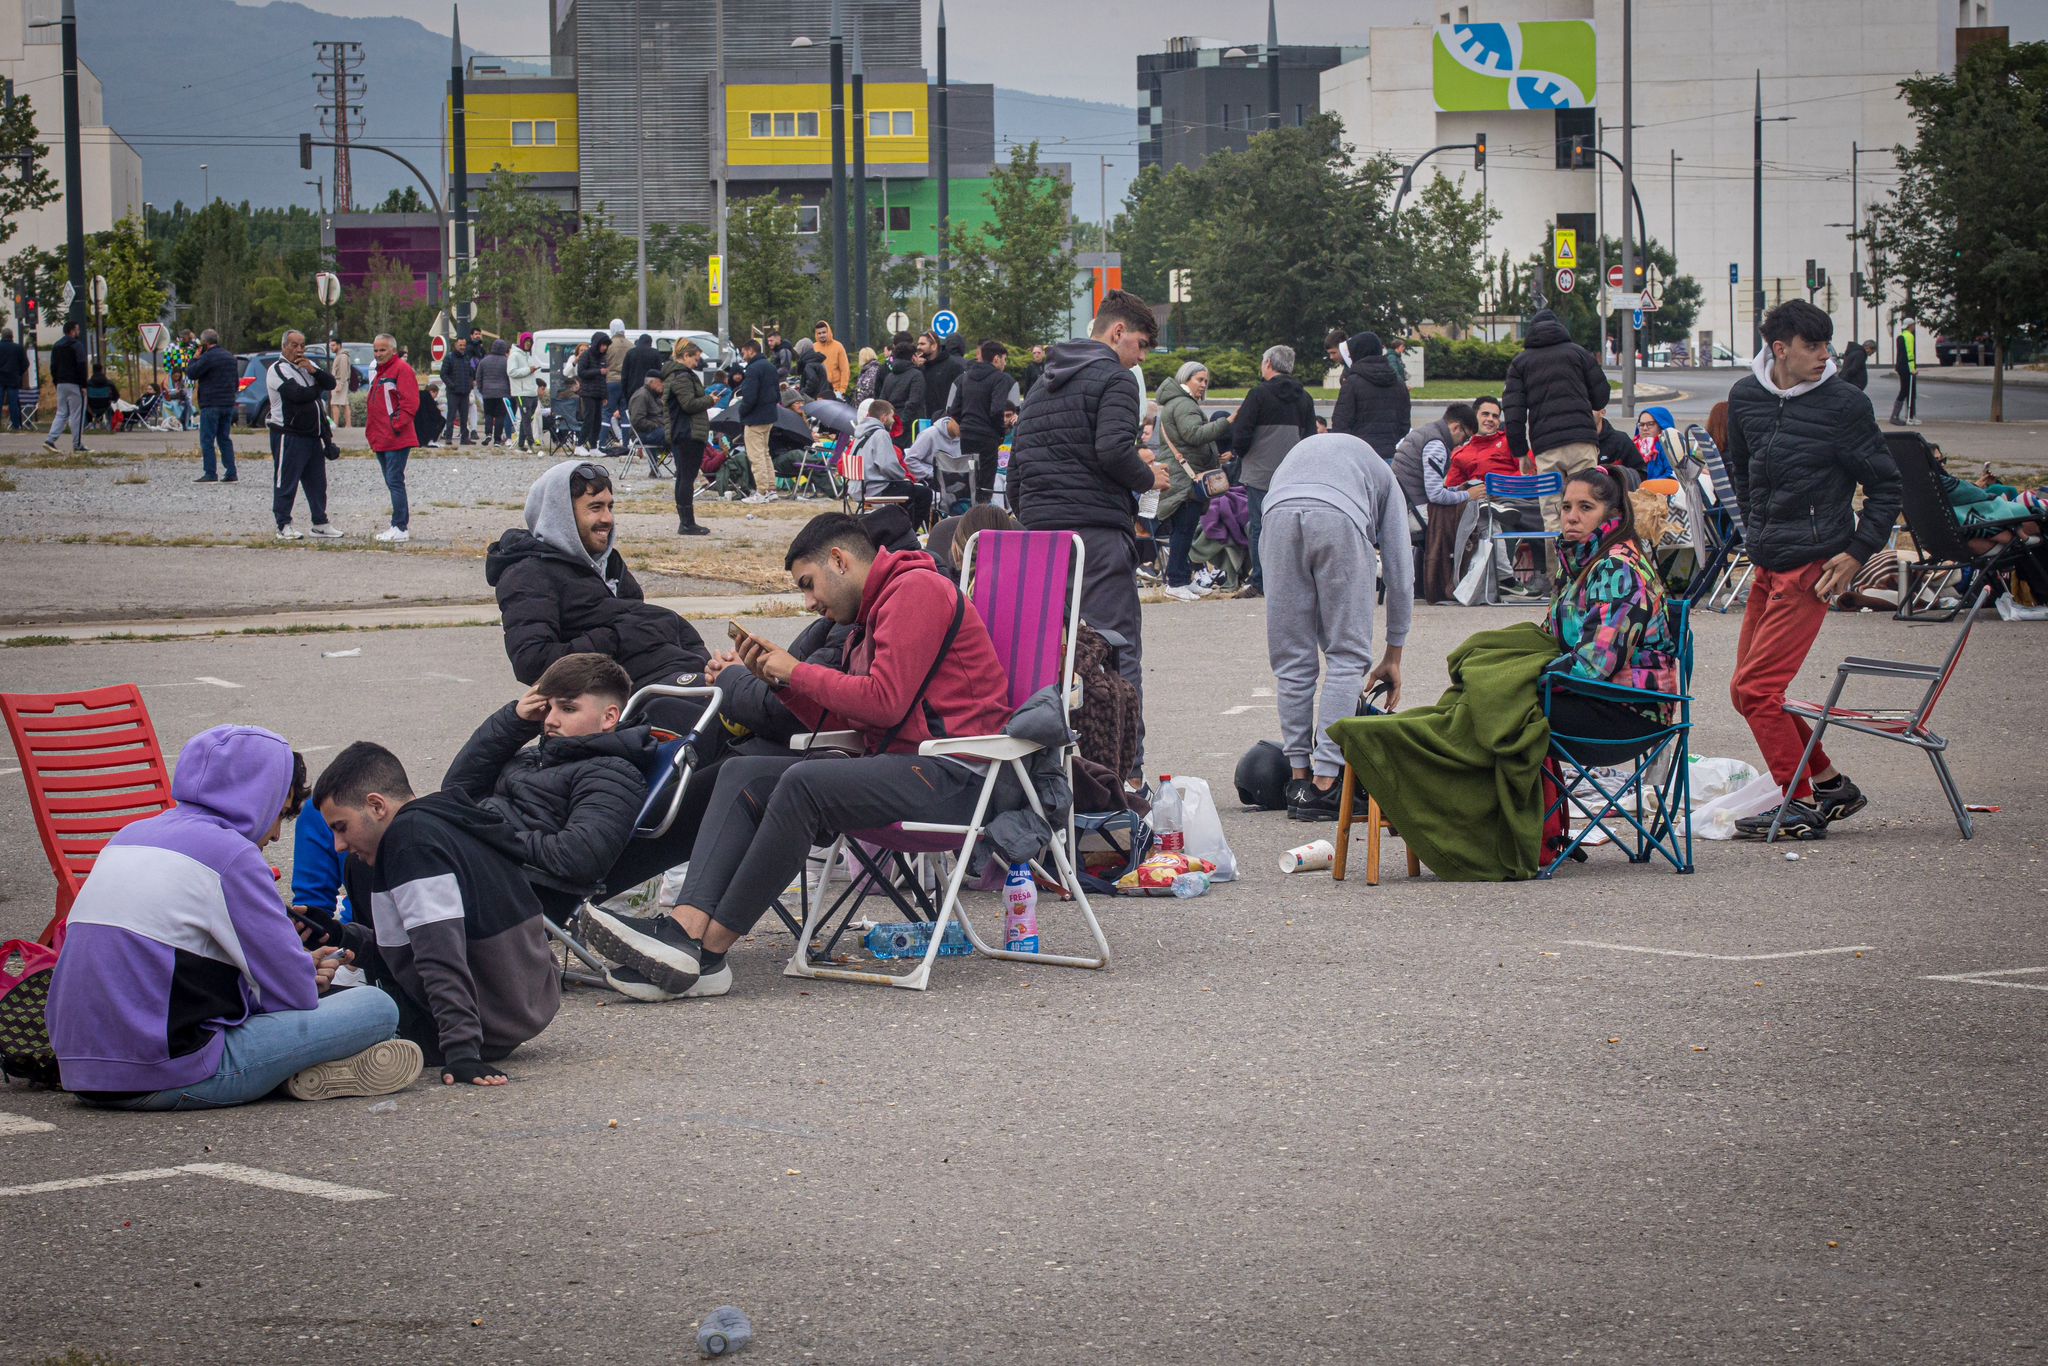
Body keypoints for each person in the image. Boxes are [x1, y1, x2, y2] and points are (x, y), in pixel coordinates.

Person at [582, 513, 1012, 998]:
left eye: (809, 585)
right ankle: (684, 930)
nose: (810, 603)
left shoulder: (917, 591)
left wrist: (797, 672)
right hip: (905, 768)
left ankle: (708, 956)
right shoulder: (871, 616)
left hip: (958, 778)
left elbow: (885, 701)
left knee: (801, 785)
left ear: (839, 560)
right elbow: (848, 720)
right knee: (745, 773)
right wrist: (777, 680)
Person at [46, 726, 420, 1109]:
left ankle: (290, 1068)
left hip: (79, 1072)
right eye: (278, 813)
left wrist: (288, 973)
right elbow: (291, 997)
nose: (275, 835)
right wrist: (305, 975)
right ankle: (295, 1069)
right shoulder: (232, 854)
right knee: (375, 1008)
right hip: (163, 1072)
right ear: (259, 799)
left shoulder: (129, 835)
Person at [1723, 299, 1901, 841]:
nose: (1826, 356)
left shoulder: (1844, 404)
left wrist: (1855, 552)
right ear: (1781, 350)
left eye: (1827, 344)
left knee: (1757, 689)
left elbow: (1888, 486)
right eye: (1814, 346)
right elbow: (1741, 468)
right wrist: (1755, 530)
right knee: (1746, 691)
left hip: (1814, 566)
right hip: (1766, 559)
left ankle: (1797, 803)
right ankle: (1827, 784)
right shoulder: (1745, 396)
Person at [312, 742, 559, 1086]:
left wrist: (462, 1051)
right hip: (519, 1001)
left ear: (376, 805)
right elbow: (410, 945)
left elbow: (439, 952)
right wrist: (340, 935)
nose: (339, 845)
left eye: (341, 827)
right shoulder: (445, 819)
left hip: (479, 1023)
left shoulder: (410, 843)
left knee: (298, 1012)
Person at [1007, 288, 1164, 778]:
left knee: (1048, 658)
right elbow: (1115, 452)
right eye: (1140, 345)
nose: (1140, 358)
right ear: (1117, 332)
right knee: (1114, 652)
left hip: (1039, 541)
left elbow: (1014, 476)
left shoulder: (1040, 386)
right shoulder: (1115, 379)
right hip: (1095, 538)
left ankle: (1048, 771)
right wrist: (1149, 477)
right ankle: (1122, 772)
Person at [1260, 433, 1413, 822]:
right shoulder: (1385, 477)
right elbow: (1399, 573)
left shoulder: (1323, 452)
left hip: (1275, 514)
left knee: (1292, 659)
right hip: (1339, 517)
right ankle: (1327, 784)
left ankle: (1298, 779)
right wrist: (1393, 652)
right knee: (1347, 657)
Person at [486, 460, 710, 701]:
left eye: (610, 507)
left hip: (673, 678)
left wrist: (709, 667)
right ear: (561, 515)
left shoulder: (607, 563)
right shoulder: (529, 574)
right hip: (623, 706)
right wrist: (617, 636)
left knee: (742, 694)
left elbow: (658, 629)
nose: (607, 519)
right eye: (595, 508)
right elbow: (533, 662)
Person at [1502, 307, 1612, 559]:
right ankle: (1590, 568)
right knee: (1587, 504)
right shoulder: (1579, 354)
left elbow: (1514, 412)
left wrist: (1520, 452)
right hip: (1582, 442)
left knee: (1553, 513)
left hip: (1546, 447)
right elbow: (1601, 397)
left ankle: (1558, 579)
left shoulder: (1520, 363)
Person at [1225, 344, 1317, 600]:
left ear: (1268, 364)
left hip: (1259, 473)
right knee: (1293, 529)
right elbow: (1310, 437)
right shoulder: (1305, 398)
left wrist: (1240, 454)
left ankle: (1261, 581)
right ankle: (1293, 579)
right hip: (1293, 474)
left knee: (1259, 527)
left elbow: (1240, 435)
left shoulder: (1258, 395)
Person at [1154, 360, 1232, 601]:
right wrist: (1226, 423)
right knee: (1183, 530)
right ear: (1185, 379)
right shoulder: (1183, 404)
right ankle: (1176, 582)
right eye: (1199, 380)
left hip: (1183, 477)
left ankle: (1183, 579)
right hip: (1185, 479)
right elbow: (1194, 434)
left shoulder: (1177, 403)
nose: (1204, 385)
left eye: (1206, 381)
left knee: (1184, 531)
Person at [267, 329, 341, 541]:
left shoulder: (308, 366)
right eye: (294, 345)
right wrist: (317, 388)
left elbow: (331, 383)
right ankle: (283, 524)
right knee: (286, 481)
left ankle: (320, 523)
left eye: (302, 345)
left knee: (317, 482)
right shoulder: (277, 369)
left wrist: (314, 373)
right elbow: (298, 396)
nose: (299, 349)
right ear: (284, 346)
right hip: (288, 434)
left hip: (312, 435)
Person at [949, 339, 1022, 501]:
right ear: (996, 359)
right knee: (986, 484)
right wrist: (1000, 433)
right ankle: (983, 517)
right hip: (987, 437)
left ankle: (968, 518)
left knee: (970, 481)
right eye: (1004, 359)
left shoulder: (966, 377)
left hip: (967, 436)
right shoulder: (999, 378)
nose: (1004, 364)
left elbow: (954, 410)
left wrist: (966, 425)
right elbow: (997, 410)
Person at [366, 332, 420, 545]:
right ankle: (398, 525)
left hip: (396, 437)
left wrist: (395, 425)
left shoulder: (401, 370)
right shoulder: (381, 372)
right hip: (381, 437)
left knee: (395, 480)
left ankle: (400, 526)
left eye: (382, 350)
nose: (378, 354)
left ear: (393, 350)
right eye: (376, 350)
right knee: (391, 481)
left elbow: (410, 403)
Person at [662, 339, 715, 536]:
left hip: (681, 432)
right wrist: (710, 400)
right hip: (688, 432)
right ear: (685, 356)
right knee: (687, 478)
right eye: (695, 358)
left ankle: (686, 521)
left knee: (684, 477)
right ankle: (687, 523)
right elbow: (688, 404)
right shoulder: (681, 377)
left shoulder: (673, 375)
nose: (697, 363)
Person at [1330, 330, 1411, 457]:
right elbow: (1404, 424)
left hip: (1359, 456)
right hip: (1389, 454)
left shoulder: (1352, 383)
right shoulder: (1398, 383)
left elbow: (1340, 424)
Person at [852, 398, 932, 520]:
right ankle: (907, 531)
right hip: (875, 488)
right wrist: (903, 477)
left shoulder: (860, 433)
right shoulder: (881, 434)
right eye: (892, 416)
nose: (893, 420)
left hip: (858, 487)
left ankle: (899, 524)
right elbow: (887, 465)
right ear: (884, 417)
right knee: (924, 493)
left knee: (910, 490)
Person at [185, 328, 240, 482]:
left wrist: (195, 358)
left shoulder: (208, 357)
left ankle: (210, 473)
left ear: (205, 343)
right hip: (228, 403)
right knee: (224, 438)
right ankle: (231, 472)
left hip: (211, 404)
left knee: (207, 439)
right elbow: (236, 382)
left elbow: (192, 373)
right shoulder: (230, 357)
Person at [735, 335, 782, 504]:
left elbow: (749, 396)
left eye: (743, 352)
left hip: (755, 418)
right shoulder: (770, 366)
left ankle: (761, 492)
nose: (742, 355)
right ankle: (771, 489)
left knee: (756, 456)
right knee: (765, 453)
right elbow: (777, 393)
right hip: (769, 416)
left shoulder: (753, 369)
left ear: (750, 350)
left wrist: (742, 411)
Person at [1445, 396, 1520, 488]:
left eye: (1495, 416)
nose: (1490, 419)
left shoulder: (1511, 440)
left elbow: (1530, 471)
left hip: (1517, 496)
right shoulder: (1460, 455)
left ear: (1498, 422)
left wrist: (1499, 486)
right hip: (1481, 499)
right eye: (1485, 414)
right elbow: (1452, 491)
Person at [43, 319, 89, 454]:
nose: (79, 332)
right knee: (77, 414)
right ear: (73, 331)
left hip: (61, 384)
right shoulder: (77, 345)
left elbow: (53, 366)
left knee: (61, 413)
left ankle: (50, 440)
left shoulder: (57, 345)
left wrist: (56, 381)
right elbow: (81, 365)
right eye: (78, 329)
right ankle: (78, 444)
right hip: (75, 384)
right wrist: (84, 385)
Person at [878, 334, 927, 426]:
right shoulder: (916, 375)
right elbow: (914, 402)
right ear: (913, 357)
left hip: (890, 423)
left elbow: (882, 400)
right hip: (910, 426)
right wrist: (901, 423)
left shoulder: (889, 376)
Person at [575, 330, 609, 453]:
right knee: (589, 419)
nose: (604, 348)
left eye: (606, 345)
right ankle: (579, 445)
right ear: (597, 344)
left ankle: (594, 446)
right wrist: (598, 371)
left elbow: (604, 379)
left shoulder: (603, 357)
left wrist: (605, 395)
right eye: (602, 345)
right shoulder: (586, 355)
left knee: (597, 420)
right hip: (588, 392)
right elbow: (581, 373)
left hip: (599, 393)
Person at [627, 369, 670, 463]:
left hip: (653, 431)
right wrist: (657, 425)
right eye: (661, 382)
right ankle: (678, 468)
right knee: (674, 435)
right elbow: (637, 421)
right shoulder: (641, 396)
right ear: (652, 382)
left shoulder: (654, 396)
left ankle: (659, 463)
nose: (664, 385)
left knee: (679, 432)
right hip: (642, 434)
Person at [1592, 407, 1644, 484]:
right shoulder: (1572, 442)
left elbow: (1641, 474)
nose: (1585, 413)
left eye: (1591, 408)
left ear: (1602, 412)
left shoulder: (1621, 440)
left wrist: (1616, 474)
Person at [440, 334, 475, 446]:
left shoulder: (466, 357)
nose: (462, 347)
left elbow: (470, 373)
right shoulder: (449, 357)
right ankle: (448, 438)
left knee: (464, 417)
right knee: (451, 415)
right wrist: (452, 385)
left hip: (465, 392)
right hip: (453, 392)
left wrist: (470, 385)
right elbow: (443, 374)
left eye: (464, 345)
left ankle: (464, 438)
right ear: (455, 345)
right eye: (460, 345)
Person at [475, 339, 512, 445]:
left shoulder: (484, 361)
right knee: (500, 416)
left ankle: (488, 434)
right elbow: (510, 377)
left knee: (489, 414)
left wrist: (481, 389)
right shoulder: (507, 361)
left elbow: (478, 376)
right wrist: (510, 391)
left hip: (487, 392)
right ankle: (497, 439)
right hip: (503, 392)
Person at [920, 330, 965, 418]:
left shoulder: (953, 366)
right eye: (918, 344)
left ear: (934, 346)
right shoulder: (922, 368)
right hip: (926, 419)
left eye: (922, 344)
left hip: (945, 419)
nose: (918, 347)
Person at [508, 331, 539, 451]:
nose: (528, 344)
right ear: (522, 342)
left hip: (531, 391)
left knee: (528, 418)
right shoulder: (514, 355)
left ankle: (521, 444)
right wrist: (528, 370)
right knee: (526, 418)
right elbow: (511, 372)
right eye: (526, 341)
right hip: (521, 392)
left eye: (530, 342)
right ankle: (531, 443)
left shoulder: (528, 355)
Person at [1632, 406, 1677, 480]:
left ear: (1661, 425)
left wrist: (1649, 485)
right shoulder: (1632, 445)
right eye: (1642, 424)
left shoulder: (1669, 446)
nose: (1645, 428)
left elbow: (1673, 474)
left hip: (1663, 489)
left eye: (1650, 424)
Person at [1889, 318, 1919, 426]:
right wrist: (1913, 369)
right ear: (1910, 326)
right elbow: (1910, 354)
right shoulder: (1909, 337)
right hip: (1907, 367)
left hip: (1901, 367)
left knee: (1907, 390)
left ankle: (1907, 415)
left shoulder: (1900, 336)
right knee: (1909, 391)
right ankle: (1907, 416)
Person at [603, 318, 630, 432]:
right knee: (625, 414)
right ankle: (626, 443)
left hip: (611, 381)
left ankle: (602, 443)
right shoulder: (631, 345)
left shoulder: (608, 346)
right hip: (625, 382)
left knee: (607, 413)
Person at [812, 320, 850, 398]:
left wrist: (842, 390)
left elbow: (845, 370)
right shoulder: (813, 347)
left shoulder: (838, 346)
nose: (822, 335)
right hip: (818, 390)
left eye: (824, 332)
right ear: (816, 334)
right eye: (819, 333)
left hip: (835, 390)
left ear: (829, 332)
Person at [0, 326, 26, 431]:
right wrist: (19, 373)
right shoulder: (18, 348)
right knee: (13, 403)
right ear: (12, 336)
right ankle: (16, 425)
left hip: (0, 379)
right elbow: (25, 364)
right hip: (13, 379)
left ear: (2, 336)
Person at [328, 342, 354, 430]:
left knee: (334, 403)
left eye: (333, 345)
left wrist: (340, 384)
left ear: (339, 345)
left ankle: (336, 424)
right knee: (344, 403)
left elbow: (343, 371)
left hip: (339, 381)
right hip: (340, 381)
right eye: (330, 346)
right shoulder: (340, 355)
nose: (331, 347)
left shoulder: (343, 356)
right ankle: (348, 424)